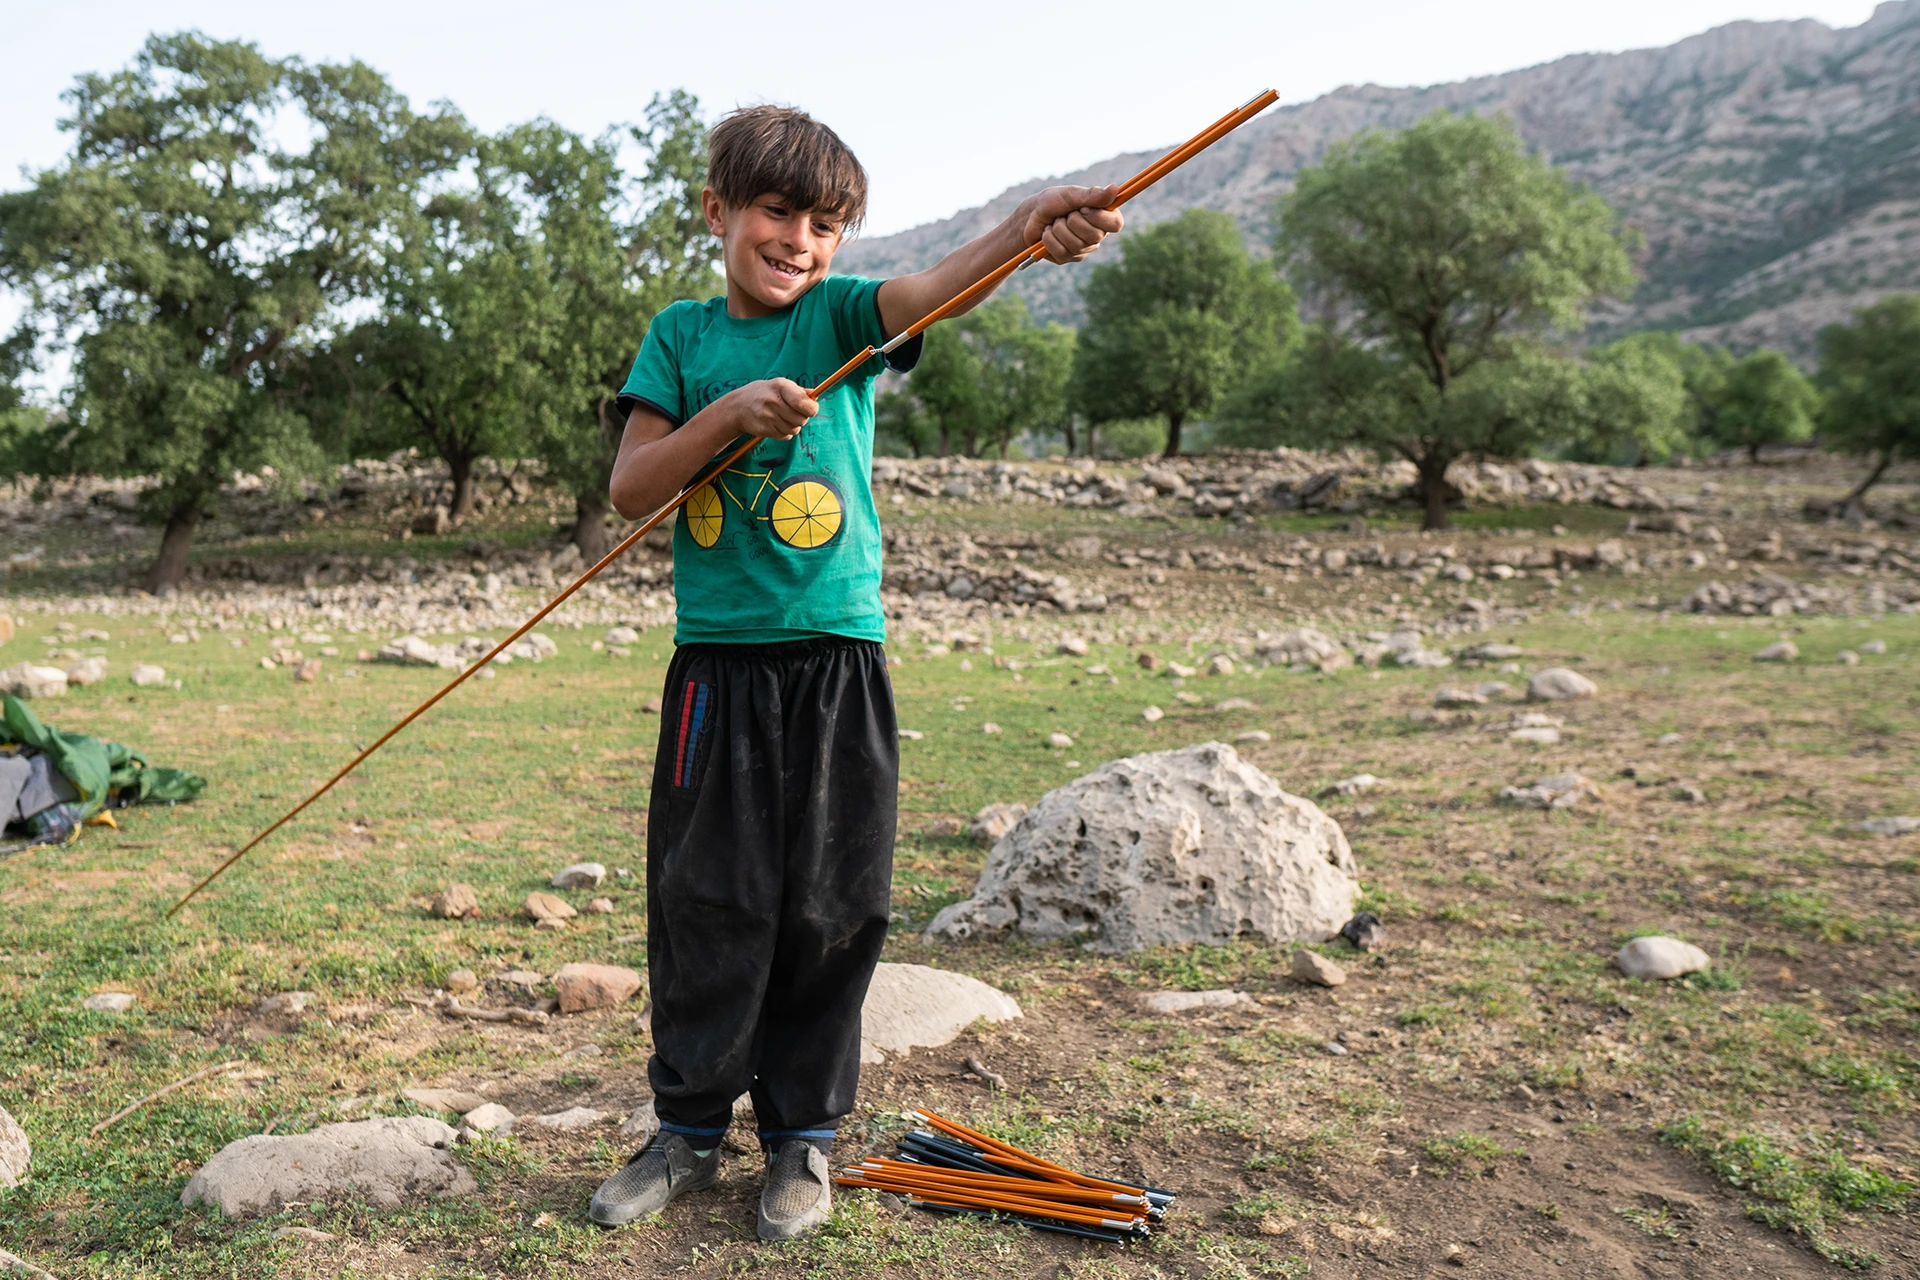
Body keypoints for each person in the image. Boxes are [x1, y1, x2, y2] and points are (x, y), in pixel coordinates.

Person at [590, 103, 1120, 1242]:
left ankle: (803, 1141)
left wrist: (1030, 227)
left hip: (839, 662)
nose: (801, 239)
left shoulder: (844, 317)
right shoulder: (680, 338)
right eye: (777, 211)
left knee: (833, 902)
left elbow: (936, 288)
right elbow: (634, 488)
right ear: (717, 210)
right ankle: (685, 1128)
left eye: (827, 222)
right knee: (706, 897)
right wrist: (726, 415)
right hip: (716, 673)